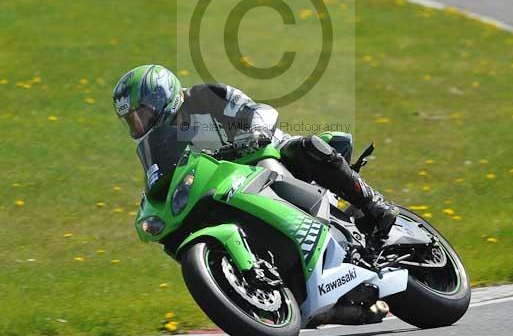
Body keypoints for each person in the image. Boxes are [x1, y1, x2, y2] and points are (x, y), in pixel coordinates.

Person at [112, 64, 398, 236]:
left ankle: (371, 203)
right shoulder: (160, 142)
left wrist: (257, 132)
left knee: (308, 147)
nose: (138, 125)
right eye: (131, 121)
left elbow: (258, 110)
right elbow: (163, 177)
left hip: (265, 154)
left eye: (141, 115)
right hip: (227, 186)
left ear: (162, 96)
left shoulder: (204, 97)